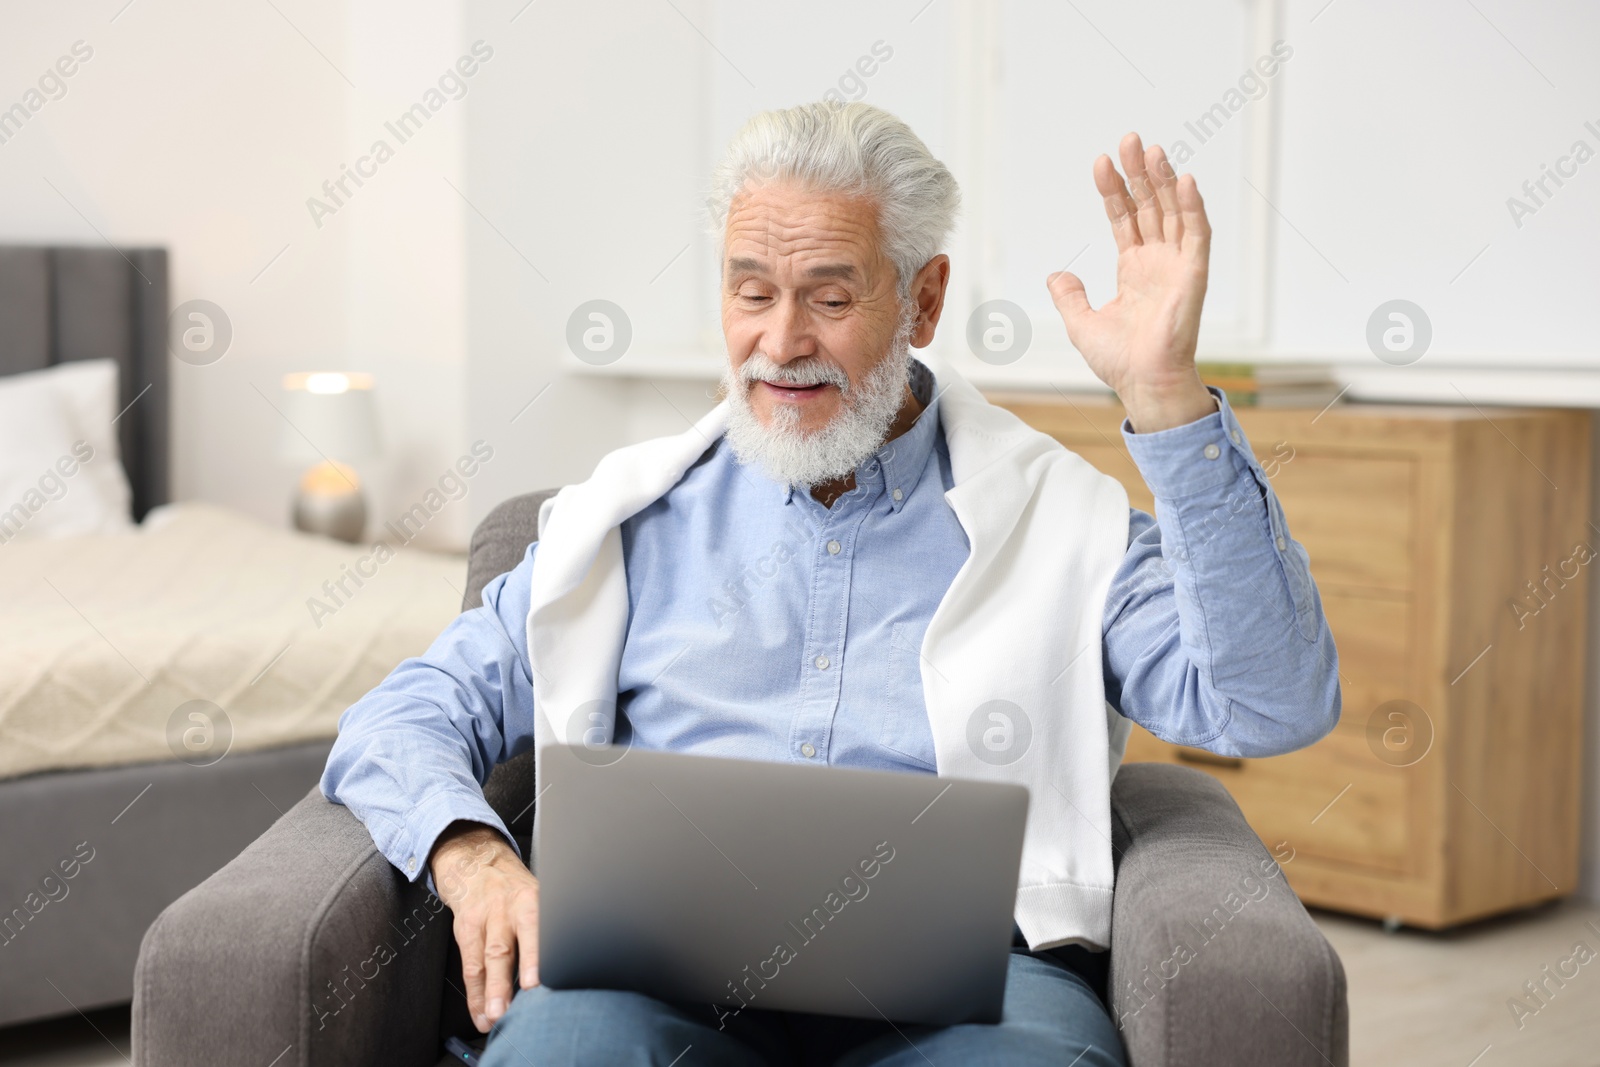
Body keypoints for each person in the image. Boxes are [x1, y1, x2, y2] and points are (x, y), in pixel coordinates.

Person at [322, 100, 1340, 1066]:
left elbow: (1267, 701)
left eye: (830, 296)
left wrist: (1165, 396)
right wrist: (474, 856)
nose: (781, 342)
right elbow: (404, 714)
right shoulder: (623, 522)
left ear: (925, 299)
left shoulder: (1056, 520)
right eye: (751, 290)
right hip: (653, 978)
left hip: (975, 985)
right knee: (564, 1050)